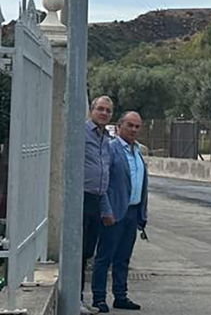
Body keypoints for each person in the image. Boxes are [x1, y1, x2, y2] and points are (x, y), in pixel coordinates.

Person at [92, 112, 148, 313]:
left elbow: (142, 184)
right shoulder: (111, 149)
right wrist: (106, 210)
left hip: (132, 212)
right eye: (130, 125)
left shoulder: (138, 151)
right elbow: (104, 182)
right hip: (114, 212)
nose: (133, 129)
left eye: (137, 126)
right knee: (104, 257)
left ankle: (120, 296)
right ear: (119, 126)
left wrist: (142, 213)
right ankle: (99, 297)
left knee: (123, 257)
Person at [81, 96, 114, 315]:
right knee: (78, 252)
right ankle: (76, 299)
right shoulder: (82, 133)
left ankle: (80, 298)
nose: (103, 113)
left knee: (87, 252)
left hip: (96, 200)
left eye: (108, 111)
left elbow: (103, 176)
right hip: (81, 197)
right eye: (100, 109)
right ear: (92, 110)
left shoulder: (106, 139)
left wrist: (106, 208)